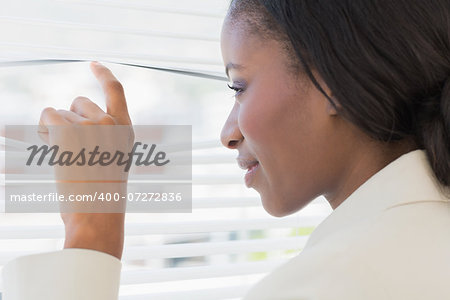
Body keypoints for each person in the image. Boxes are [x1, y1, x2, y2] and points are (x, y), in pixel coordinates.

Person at [3, 0, 450, 299]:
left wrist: (90, 232)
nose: (227, 133)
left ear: (329, 83)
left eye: (239, 86)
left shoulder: (337, 281)